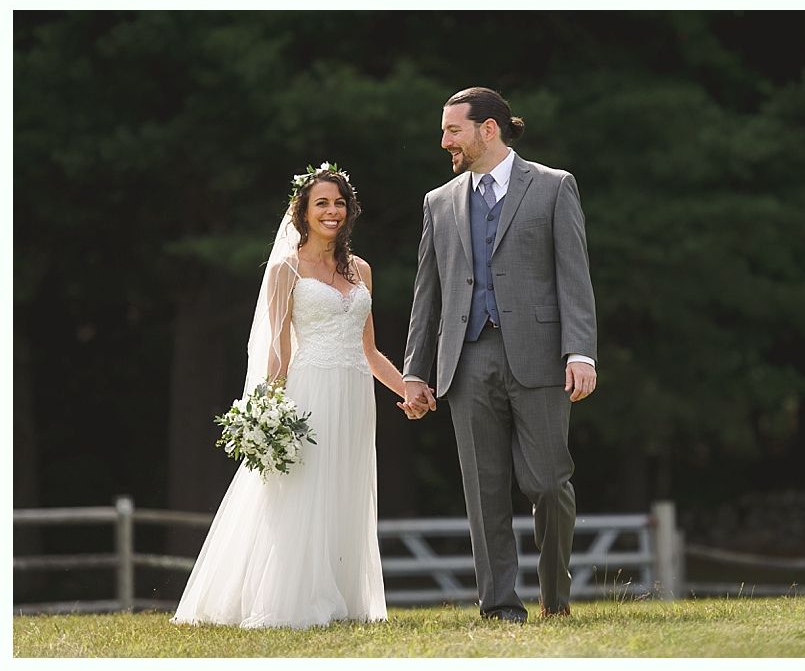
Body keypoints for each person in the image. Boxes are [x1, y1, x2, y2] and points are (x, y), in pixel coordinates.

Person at [172, 163, 405, 628]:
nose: (332, 211)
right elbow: (278, 349)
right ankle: (293, 598)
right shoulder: (286, 269)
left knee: (345, 490)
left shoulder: (361, 271)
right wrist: (268, 412)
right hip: (309, 391)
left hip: (356, 394)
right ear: (303, 211)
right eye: (321, 203)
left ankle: (344, 597)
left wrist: (409, 390)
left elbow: (370, 350)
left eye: (339, 203)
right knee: (302, 494)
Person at [401, 87, 598, 622]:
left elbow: (573, 277)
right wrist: (414, 373)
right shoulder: (439, 202)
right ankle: (500, 606)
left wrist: (580, 351)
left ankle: (556, 599)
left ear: (488, 129)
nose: (444, 141)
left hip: (539, 355)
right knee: (483, 490)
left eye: (452, 130)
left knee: (549, 484)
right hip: (466, 361)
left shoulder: (554, 187)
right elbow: (429, 292)